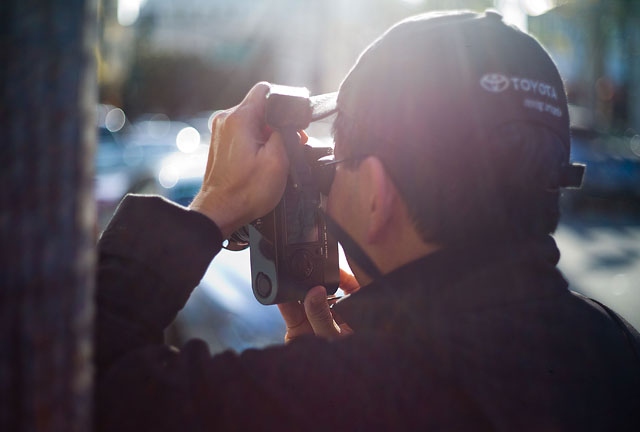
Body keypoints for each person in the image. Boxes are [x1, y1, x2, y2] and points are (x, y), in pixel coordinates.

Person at [96, 10, 640, 431]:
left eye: (336, 166)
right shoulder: (617, 349)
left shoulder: (345, 398)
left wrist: (213, 205)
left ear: (378, 195)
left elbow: (64, 386)